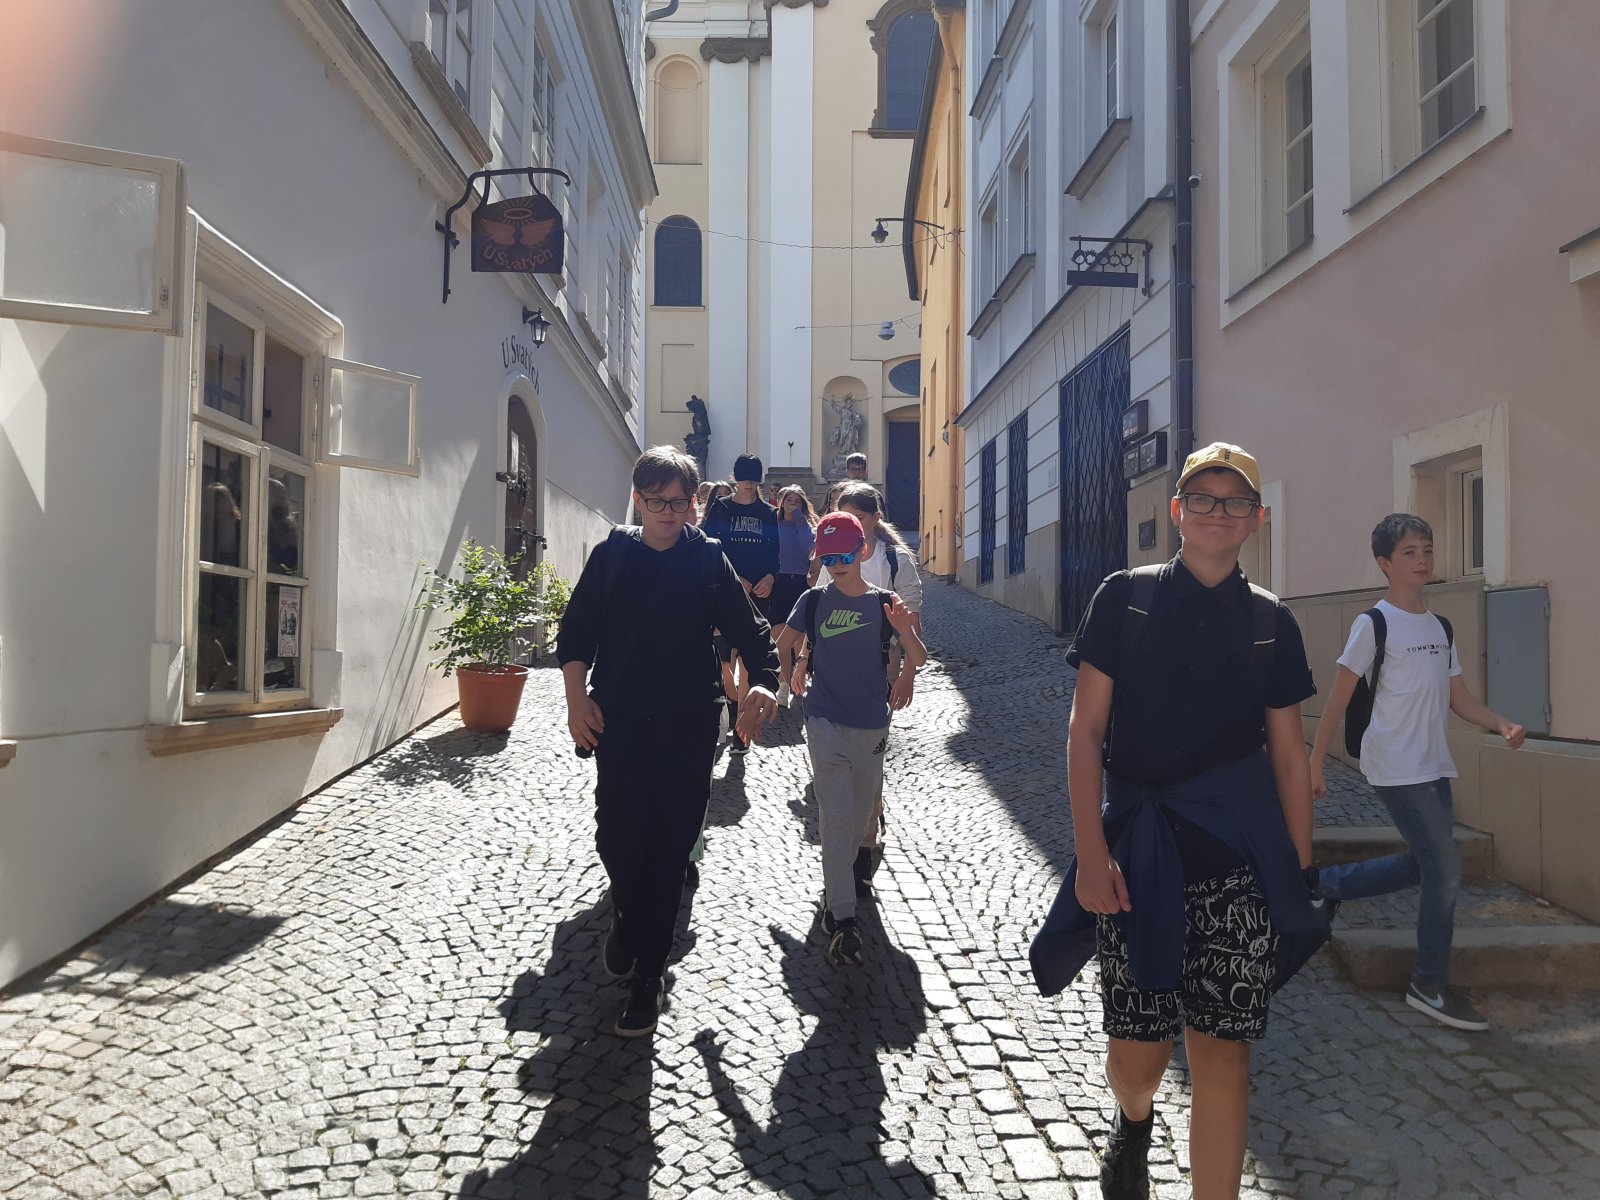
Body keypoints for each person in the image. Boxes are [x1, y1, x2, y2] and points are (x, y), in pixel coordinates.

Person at [1040, 442, 1328, 1200]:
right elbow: (1085, 732)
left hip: (1239, 862)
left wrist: (1297, 871)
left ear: (1256, 519)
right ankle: (1133, 1121)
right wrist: (1091, 853)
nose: (1217, 513)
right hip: (1137, 858)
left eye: (1236, 502)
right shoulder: (1125, 599)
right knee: (1137, 1058)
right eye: (1203, 498)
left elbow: (1289, 756)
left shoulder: (1271, 621)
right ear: (1177, 511)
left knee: (1224, 1056)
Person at [558, 446, 780, 1037]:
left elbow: (754, 634)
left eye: (678, 504)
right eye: (656, 502)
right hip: (621, 721)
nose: (666, 513)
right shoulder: (613, 554)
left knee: (671, 847)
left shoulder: (707, 559)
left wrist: (765, 683)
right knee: (617, 836)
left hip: (689, 722)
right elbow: (576, 633)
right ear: (637, 499)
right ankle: (626, 915)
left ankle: (649, 977)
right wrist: (577, 699)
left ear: (693, 504)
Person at [1308, 513, 1525, 1032]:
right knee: (1444, 869)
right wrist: (1314, 763)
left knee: (1424, 862)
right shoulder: (1374, 623)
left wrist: (1499, 722)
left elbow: (1458, 698)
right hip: (1394, 763)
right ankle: (1428, 984)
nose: (1422, 559)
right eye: (1410, 552)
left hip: (1432, 762)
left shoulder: (1439, 626)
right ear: (1385, 563)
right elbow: (1338, 699)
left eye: (1427, 550)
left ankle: (1325, 884)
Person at [777, 511, 927, 966]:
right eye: (828, 558)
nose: (837, 565)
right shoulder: (813, 600)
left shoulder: (884, 602)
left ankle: (836, 894)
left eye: (844, 555)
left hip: (872, 724)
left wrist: (904, 644)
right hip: (823, 719)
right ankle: (843, 917)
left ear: (862, 550)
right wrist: (792, 669)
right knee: (837, 817)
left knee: (860, 820)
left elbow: (919, 655)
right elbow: (785, 640)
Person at [834, 483, 925, 887]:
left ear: (875, 519)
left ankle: (864, 843)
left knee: (868, 756)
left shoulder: (895, 560)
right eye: (844, 516)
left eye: (858, 517)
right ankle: (853, 827)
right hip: (836, 668)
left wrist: (907, 674)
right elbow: (819, 606)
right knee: (841, 756)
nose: (851, 524)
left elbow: (912, 625)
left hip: (880, 664)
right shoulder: (834, 551)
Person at [702, 455, 781, 754]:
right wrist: (736, 579)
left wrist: (770, 576)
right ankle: (726, 714)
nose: (749, 484)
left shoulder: (768, 513)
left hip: (760, 593)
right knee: (725, 663)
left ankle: (742, 729)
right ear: (735, 477)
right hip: (724, 591)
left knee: (750, 663)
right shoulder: (721, 508)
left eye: (754, 479)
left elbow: (774, 552)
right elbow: (710, 547)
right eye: (744, 478)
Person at [771, 486, 818, 708]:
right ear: (781, 502)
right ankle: (783, 685)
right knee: (780, 635)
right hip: (778, 583)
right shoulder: (774, 524)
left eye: (797, 501)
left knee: (800, 636)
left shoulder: (807, 526)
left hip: (800, 582)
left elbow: (809, 549)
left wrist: (799, 519)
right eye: (788, 500)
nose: (792, 504)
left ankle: (798, 680)